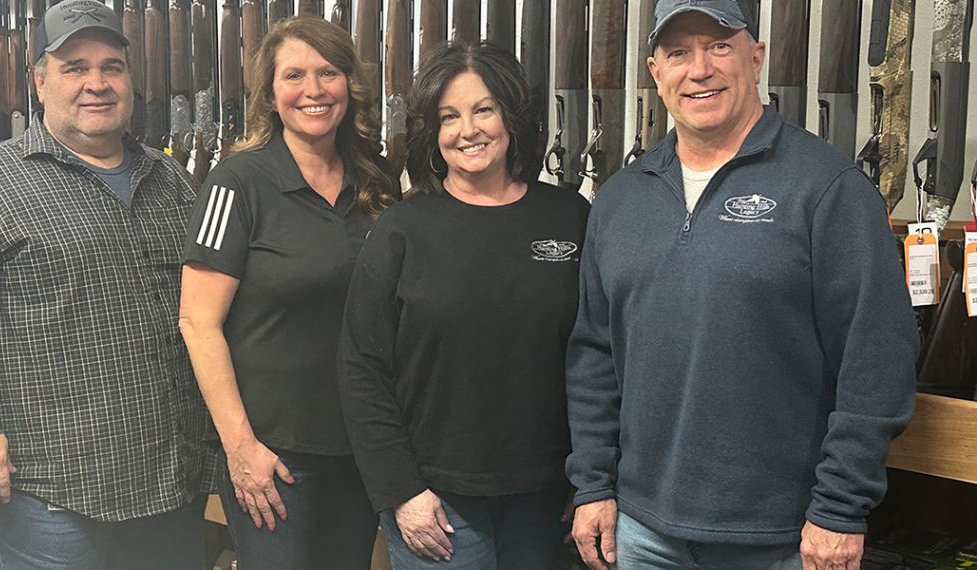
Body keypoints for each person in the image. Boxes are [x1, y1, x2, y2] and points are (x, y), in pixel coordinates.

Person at [565, 1, 918, 569]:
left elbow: (877, 358)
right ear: (656, 74)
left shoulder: (829, 189)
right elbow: (594, 357)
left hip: (785, 536)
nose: (699, 68)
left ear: (756, 59)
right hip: (641, 532)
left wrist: (839, 509)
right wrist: (593, 487)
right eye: (678, 52)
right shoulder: (619, 200)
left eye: (719, 46)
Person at [0, 0, 209, 567]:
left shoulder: (172, 183)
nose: (97, 83)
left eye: (112, 66)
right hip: (51, 491)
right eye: (74, 68)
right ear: (40, 83)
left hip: (169, 483)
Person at [337, 41, 590, 570]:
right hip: (436, 497)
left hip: (544, 495)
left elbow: (596, 357)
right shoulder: (403, 228)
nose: (468, 130)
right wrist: (402, 490)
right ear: (432, 132)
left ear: (512, 116)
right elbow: (362, 367)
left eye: (484, 109)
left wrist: (590, 480)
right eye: (448, 116)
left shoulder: (569, 217)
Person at [177, 16, 400, 569]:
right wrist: (240, 448)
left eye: (328, 73)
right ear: (271, 94)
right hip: (272, 453)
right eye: (293, 75)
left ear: (351, 84)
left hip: (360, 443)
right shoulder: (236, 183)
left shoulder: (379, 180)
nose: (313, 91)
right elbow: (196, 323)